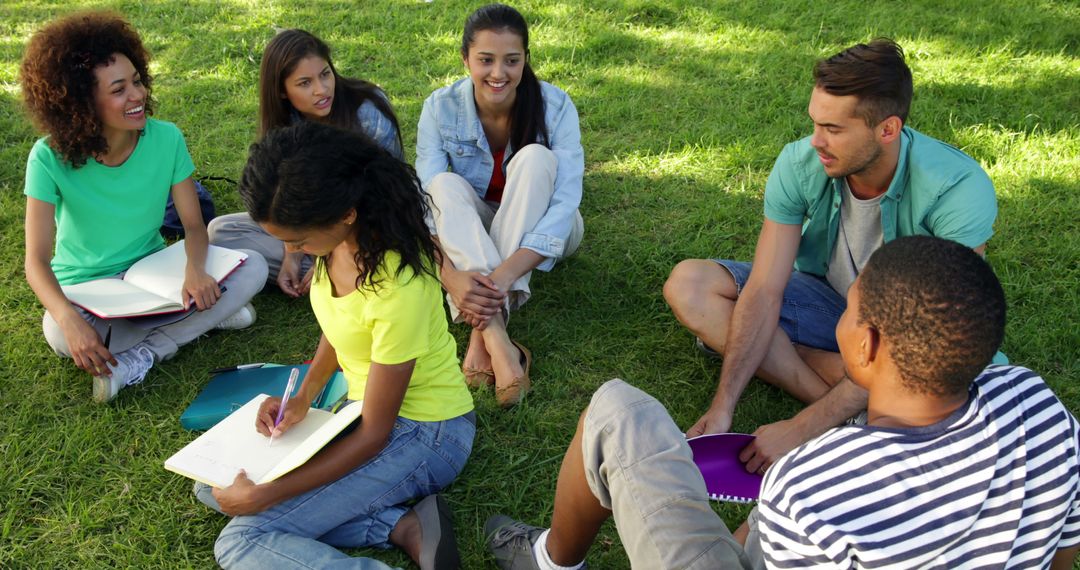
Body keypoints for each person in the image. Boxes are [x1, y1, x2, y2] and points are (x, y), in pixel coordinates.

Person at [484, 236, 1080, 569]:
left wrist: (765, 524)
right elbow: (1061, 552)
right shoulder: (1038, 406)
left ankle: (548, 563)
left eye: (849, 307)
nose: (840, 316)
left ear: (866, 344)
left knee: (619, 410)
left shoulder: (816, 484)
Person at [662, 39, 999, 470]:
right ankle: (843, 403)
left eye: (834, 130)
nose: (816, 142)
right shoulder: (801, 163)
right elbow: (765, 289)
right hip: (826, 303)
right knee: (690, 285)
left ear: (888, 129)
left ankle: (768, 352)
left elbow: (927, 339)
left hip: (904, 331)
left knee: (924, 379)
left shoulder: (957, 190)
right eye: (815, 123)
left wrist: (800, 429)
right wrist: (724, 404)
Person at [196, 122, 475, 570]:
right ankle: (401, 527)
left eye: (299, 239)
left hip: (426, 434)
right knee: (214, 485)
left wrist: (268, 495)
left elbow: (375, 434)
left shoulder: (397, 287)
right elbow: (342, 326)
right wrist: (303, 396)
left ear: (345, 213)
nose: (290, 249)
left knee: (242, 540)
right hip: (363, 412)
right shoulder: (340, 245)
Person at [20, 11, 267, 403]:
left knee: (252, 266)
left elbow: (193, 226)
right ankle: (204, 319)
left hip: (155, 274)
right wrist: (70, 319)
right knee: (56, 331)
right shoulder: (49, 158)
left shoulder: (166, 138)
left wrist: (195, 270)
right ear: (83, 103)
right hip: (87, 289)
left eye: (136, 81)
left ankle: (144, 354)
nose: (137, 96)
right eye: (118, 90)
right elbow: (36, 261)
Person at [416, 3, 585, 408]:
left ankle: (481, 332)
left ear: (525, 59)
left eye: (512, 61)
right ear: (465, 59)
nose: (498, 74)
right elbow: (425, 209)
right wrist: (449, 276)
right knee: (442, 184)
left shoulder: (557, 106)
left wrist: (502, 277)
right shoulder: (439, 109)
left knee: (536, 158)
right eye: (485, 60)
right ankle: (500, 343)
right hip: (467, 225)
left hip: (549, 230)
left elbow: (563, 208)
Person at [208, 28, 404, 297]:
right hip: (310, 231)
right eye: (305, 83)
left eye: (325, 74)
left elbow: (385, 200)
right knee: (221, 231)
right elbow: (284, 206)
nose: (321, 89)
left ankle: (339, 273)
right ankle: (329, 274)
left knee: (381, 250)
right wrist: (291, 254)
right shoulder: (284, 124)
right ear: (282, 91)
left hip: (369, 230)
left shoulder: (368, 113)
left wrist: (332, 256)